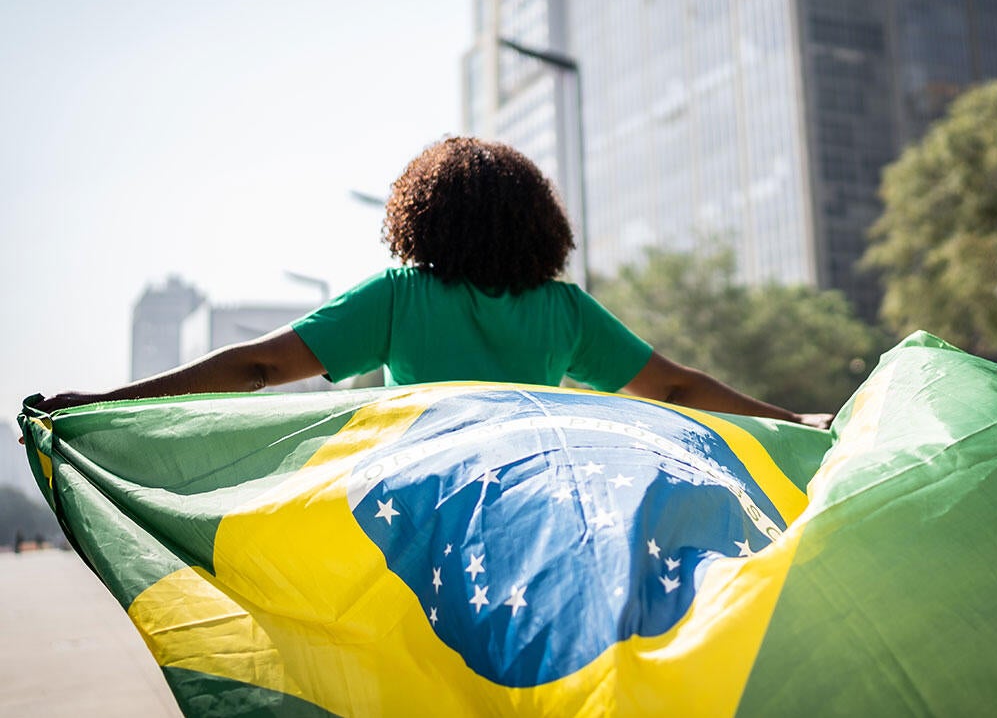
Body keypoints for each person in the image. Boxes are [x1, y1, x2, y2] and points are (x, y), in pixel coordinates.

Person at [36, 137, 831, 429]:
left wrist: (112, 403)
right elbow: (678, 390)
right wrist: (792, 418)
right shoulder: (564, 310)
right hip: (541, 493)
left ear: (421, 218)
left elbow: (258, 367)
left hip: (420, 501)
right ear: (539, 223)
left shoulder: (398, 297)